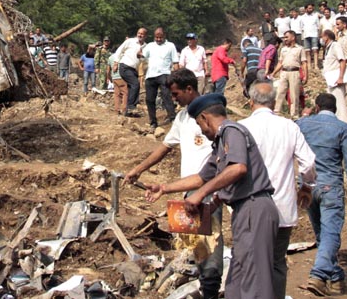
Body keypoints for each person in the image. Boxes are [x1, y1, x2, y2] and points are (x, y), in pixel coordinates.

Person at [145, 93, 279, 299]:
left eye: (200, 125)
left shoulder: (231, 131)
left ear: (205, 118)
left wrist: (200, 195)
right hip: (243, 211)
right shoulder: (219, 145)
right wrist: (164, 188)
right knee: (237, 279)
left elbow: (238, 169)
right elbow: (201, 178)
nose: (202, 131)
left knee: (255, 280)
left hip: (254, 207)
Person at [123, 69, 223, 298]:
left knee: (209, 249)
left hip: (206, 191)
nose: (173, 98)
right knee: (195, 247)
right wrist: (139, 169)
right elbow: (165, 147)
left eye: (176, 93)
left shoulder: (212, 114)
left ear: (190, 89)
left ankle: (210, 291)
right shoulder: (182, 117)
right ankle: (204, 285)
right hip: (187, 192)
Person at [240, 81, 316, 299]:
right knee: (276, 263)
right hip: (282, 206)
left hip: (251, 206)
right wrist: (306, 187)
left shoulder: (242, 127)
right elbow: (308, 163)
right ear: (274, 102)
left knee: (252, 263)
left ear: (251, 101)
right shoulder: (289, 126)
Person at [297, 93, 347, 296]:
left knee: (321, 233)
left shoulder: (302, 124)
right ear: (335, 109)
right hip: (330, 185)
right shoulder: (343, 128)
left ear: (317, 107)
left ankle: (336, 278)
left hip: (307, 186)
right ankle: (319, 275)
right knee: (330, 233)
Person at [143, 28, 178, 129]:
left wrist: (176, 75)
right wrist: (139, 54)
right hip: (150, 75)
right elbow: (143, 56)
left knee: (166, 95)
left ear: (164, 36)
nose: (158, 39)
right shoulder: (150, 45)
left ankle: (172, 117)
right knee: (149, 99)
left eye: (160, 37)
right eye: (156, 37)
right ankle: (153, 121)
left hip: (164, 74)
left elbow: (175, 62)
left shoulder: (170, 46)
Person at [271, 31, 307, 118]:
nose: (285, 39)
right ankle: (276, 112)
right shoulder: (283, 49)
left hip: (294, 72)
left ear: (293, 37)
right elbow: (280, 63)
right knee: (280, 92)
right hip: (284, 72)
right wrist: (274, 72)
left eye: (287, 37)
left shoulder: (300, 49)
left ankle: (294, 115)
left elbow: (304, 63)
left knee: (294, 94)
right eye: (284, 37)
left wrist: (306, 75)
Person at [113, 28, 147, 117]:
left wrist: (141, 56)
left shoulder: (145, 46)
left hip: (133, 70)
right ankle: (131, 106)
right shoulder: (130, 41)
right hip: (124, 66)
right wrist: (116, 63)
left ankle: (126, 110)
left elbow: (144, 59)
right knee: (135, 84)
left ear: (145, 36)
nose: (140, 35)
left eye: (142, 34)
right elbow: (119, 50)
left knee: (131, 88)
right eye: (138, 33)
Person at [319, 29, 347, 123]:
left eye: (322, 37)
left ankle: (344, 123)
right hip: (330, 79)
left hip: (336, 79)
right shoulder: (328, 48)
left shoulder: (335, 45)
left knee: (339, 102)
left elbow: (342, 60)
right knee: (333, 102)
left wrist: (340, 77)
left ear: (326, 37)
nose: (321, 39)